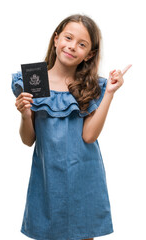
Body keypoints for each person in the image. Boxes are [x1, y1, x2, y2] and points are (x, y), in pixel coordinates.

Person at [11, 14, 132, 240]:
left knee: (84, 234)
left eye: (82, 44)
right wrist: (26, 115)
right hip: (47, 182)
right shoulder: (33, 80)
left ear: (90, 54)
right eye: (68, 37)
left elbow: (89, 136)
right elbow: (28, 140)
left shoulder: (92, 86)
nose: (72, 46)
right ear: (56, 39)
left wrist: (109, 94)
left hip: (84, 178)